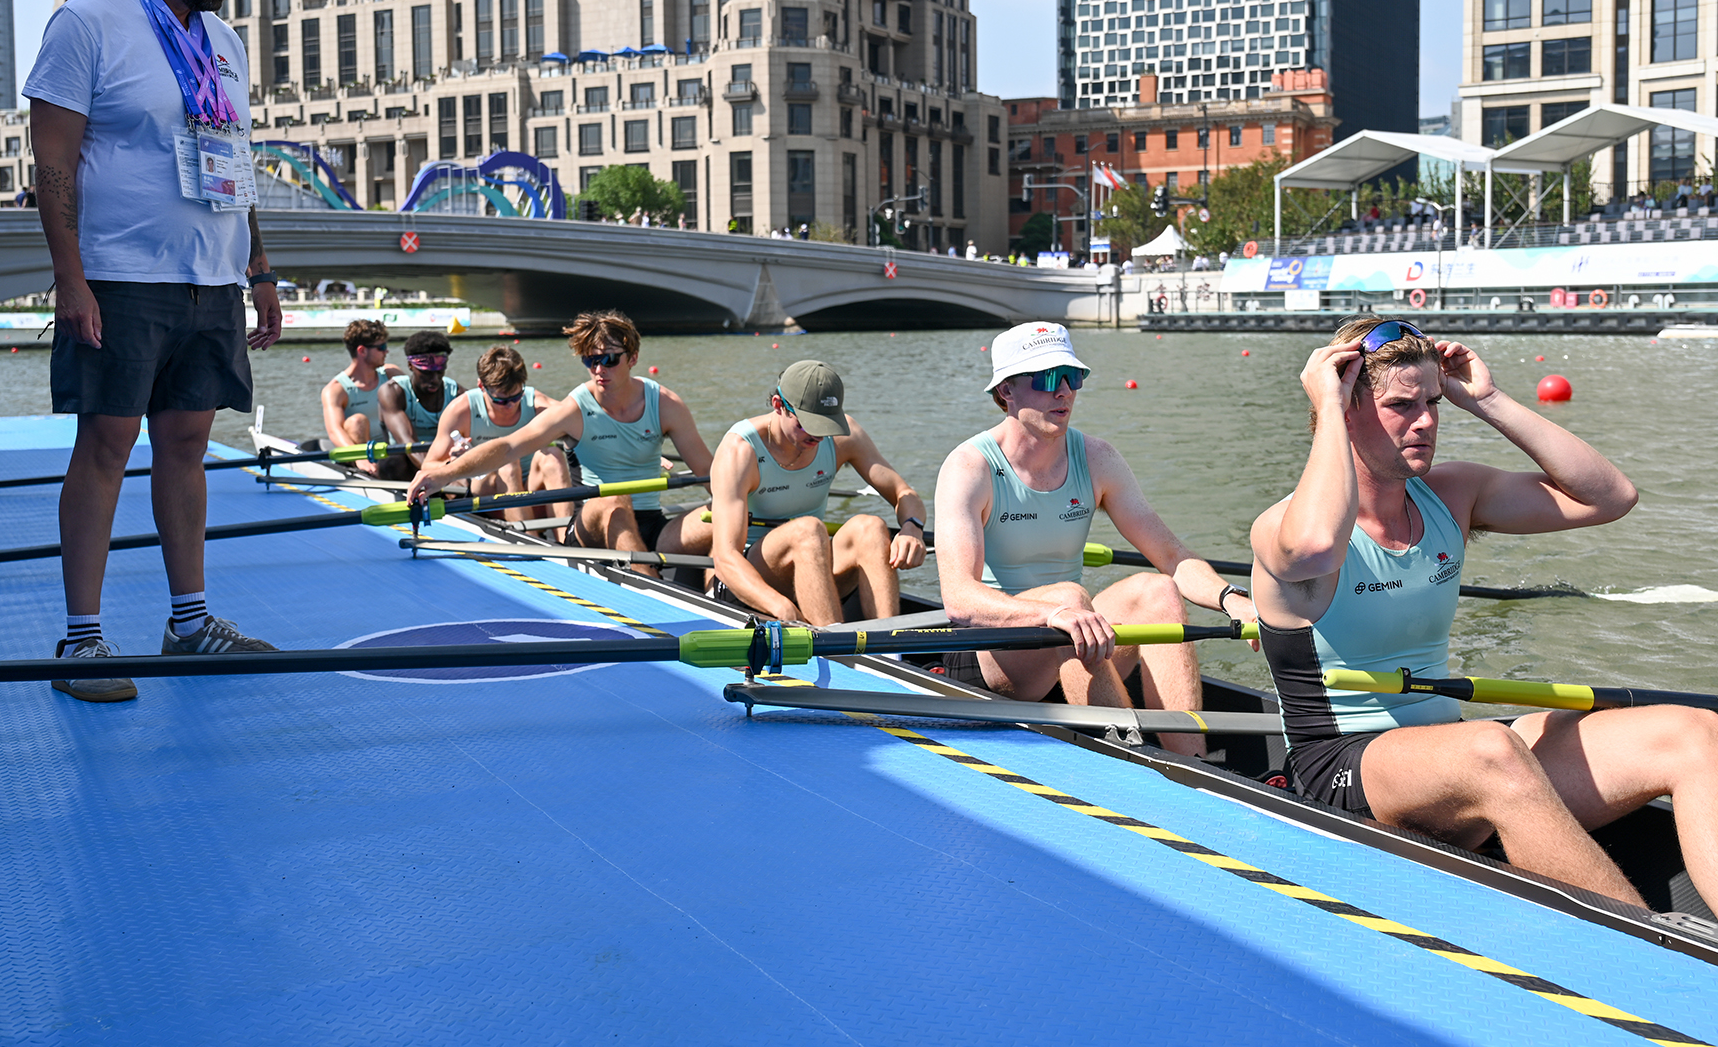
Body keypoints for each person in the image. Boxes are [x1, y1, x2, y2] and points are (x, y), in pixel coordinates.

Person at [1248, 316, 1718, 932]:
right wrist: (1326, 402)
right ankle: (1660, 951)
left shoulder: (1452, 493)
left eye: (1432, 402)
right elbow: (1317, 546)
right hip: (1339, 768)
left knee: (1695, 732)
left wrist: (1487, 400)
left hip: (1453, 753)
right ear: (1345, 408)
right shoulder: (1282, 528)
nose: (1425, 422)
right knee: (1492, 748)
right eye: (1400, 406)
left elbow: (1608, 497)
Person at [24, 0, 283, 704]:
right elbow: (53, 163)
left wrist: (258, 267)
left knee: (186, 447)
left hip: (211, 278)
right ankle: (82, 640)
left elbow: (234, 159)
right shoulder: (88, 24)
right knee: (105, 447)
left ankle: (190, 622)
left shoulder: (226, 42)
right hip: (120, 275)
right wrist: (70, 279)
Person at [934, 323, 1258, 758]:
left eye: (1073, 376)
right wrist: (1054, 612)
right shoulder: (969, 467)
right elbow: (959, 600)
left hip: (1071, 636)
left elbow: (1172, 555)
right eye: (1048, 378)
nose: (1064, 391)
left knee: (1158, 590)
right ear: (1006, 390)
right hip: (993, 654)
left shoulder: (1097, 458)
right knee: (1069, 596)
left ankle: (1192, 763)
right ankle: (1133, 760)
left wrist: (1231, 598)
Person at [410, 311, 711, 559]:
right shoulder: (573, 409)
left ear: (632, 358)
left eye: (609, 359)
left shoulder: (666, 405)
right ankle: (644, 579)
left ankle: (723, 589)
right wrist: (444, 474)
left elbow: (708, 473)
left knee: (725, 510)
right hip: (591, 524)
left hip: (653, 523)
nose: (598, 370)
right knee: (613, 496)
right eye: (590, 361)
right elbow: (508, 447)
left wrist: (732, 505)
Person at [684, 359, 927, 624]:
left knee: (871, 528)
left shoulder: (846, 436)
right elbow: (725, 558)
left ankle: (889, 643)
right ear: (779, 405)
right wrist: (781, 607)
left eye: (826, 425)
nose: (818, 436)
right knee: (808, 530)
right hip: (750, 581)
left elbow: (904, 493)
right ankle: (835, 644)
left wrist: (912, 528)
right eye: (808, 424)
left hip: (812, 566)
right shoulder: (740, 451)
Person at [414, 345, 562, 527]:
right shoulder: (461, 411)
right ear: (481, 386)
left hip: (530, 487)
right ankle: (531, 537)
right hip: (486, 489)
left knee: (554, 456)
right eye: (501, 400)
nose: (511, 406)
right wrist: (453, 463)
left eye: (516, 397)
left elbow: (580, 420)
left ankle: (565, 537)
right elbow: (428, 465)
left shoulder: (539, 404)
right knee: (507, 463)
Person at [319, 318, 401, 477]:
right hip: (360, 454)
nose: (386, 352)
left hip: (391, 449)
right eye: (381, 347)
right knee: (357, 421)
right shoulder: (335, 390)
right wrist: (359, 457)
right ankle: (369, 470)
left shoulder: (391, 374)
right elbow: (334, 431)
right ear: (362, 351)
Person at [378, 329, 461, 478]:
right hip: (406, 461)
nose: (435, 379)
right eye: (427, 372)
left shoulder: (457, 394)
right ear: (410, 366)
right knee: (393, 462)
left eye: (440, 371)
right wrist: (440, 473)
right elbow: (408, 442)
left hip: (442, 461)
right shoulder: (393, 392)